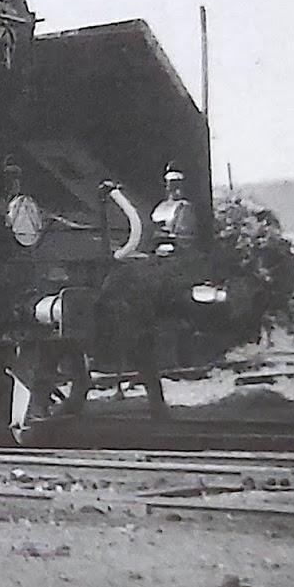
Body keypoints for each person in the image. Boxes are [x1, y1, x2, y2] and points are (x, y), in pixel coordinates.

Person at [93, 165, 203, 419]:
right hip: (153, 259)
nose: (173, 188)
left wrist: (167, 247)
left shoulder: (184, 209)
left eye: (176, 184)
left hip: (172, 261)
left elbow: (184, 238)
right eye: (170, 184)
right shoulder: (160, 208)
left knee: (143, 341)